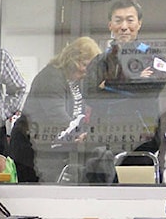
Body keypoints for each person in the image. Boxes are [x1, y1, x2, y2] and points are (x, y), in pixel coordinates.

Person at [9, 37, 101, 183]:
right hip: (30, 147)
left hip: (51, 146)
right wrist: (79, 133)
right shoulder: (51, 77)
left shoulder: (76, 81)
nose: (87, 70)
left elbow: (80, 111)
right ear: (73, 60)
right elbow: (56, 115)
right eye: (85, 64)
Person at [83, 0, 166, 151]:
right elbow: (89, 95)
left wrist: (108, 85)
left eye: (130, 20)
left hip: (141, 141)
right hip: (103, 141)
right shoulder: (99, 61)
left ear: (139, 24)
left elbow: (150, 90)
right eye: (118, 20)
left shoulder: (153, 56)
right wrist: (135, 82)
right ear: (110, 25)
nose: (124, 27)